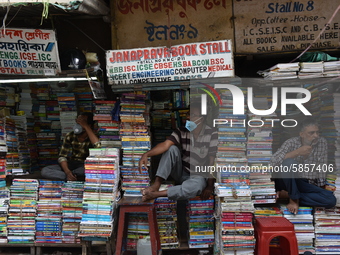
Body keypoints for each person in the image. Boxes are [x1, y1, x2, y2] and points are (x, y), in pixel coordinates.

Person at [138, 102, 218, 201]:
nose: (188, 117)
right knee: (171, 149)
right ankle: (156, 185)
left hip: (198, 176)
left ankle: (156, 194)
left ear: (202, 118)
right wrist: (146, 154)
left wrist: (210, 186)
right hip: (181, 172)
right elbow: (165, 145)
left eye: (192, 115)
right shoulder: (181, 131)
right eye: (188, 114)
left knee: (195, 187)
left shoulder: (212, 133)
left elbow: (211, 162)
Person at [270, 117, 336, 214]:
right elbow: (272, 162)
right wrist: (297, 152)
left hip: (304, 184)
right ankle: (293, 199)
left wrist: (318, 191)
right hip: (288, 181)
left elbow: (321, 168)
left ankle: (287, 195)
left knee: (331, 200)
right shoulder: (291, 142)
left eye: (317, 132)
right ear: (301, 134)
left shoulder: (322, 143)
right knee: (289, 163)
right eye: (311, 133)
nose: (316, 136)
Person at [41, 112, 101, 181]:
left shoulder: (94, 136)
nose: (79, 124)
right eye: (78, 121)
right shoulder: (70, 135)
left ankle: (72, 176)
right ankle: (72, 176)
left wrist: (86, 126)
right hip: (72, 164)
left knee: (91, 169)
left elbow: (98, 147)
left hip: (85, 165)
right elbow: (62, 156)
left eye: (82, 122)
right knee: (45, 171)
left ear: (89, 125)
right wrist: (67, 172)